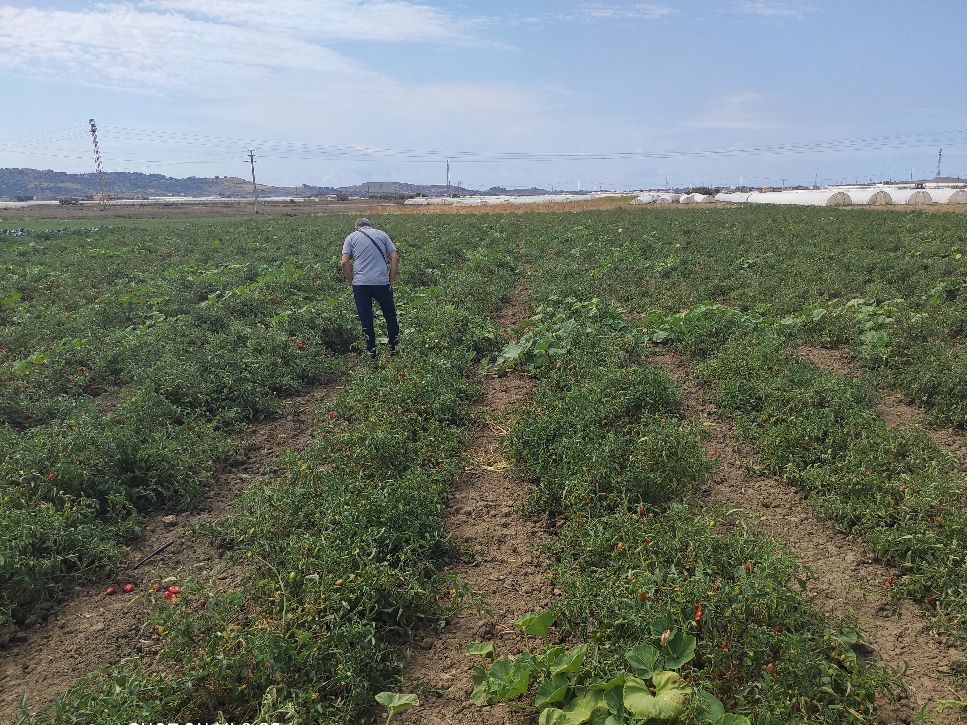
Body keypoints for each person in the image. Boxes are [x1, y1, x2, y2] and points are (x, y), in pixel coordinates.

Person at [341, 218, 400, 357]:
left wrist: (352, 281)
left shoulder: (351, 237)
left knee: (366, 319)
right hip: (381, 282)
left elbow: (344, 263)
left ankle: (371, 353)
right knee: (390, 316)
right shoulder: (382, 234)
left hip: (361, 285)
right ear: (370, 226)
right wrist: (390, 280)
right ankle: (394, 349)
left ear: (356, 228)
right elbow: (395, 258)